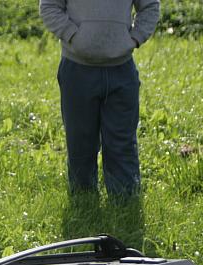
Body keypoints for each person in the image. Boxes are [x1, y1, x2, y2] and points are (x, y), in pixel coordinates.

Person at [39, 0, 160, 198]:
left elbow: (149, 7)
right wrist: (73, 36)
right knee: (80, 140)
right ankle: (83, 198)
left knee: (122, 141)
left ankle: (125, 199)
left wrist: (135, 38)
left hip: (122, 70)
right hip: (77, 69)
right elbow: (49, 6)